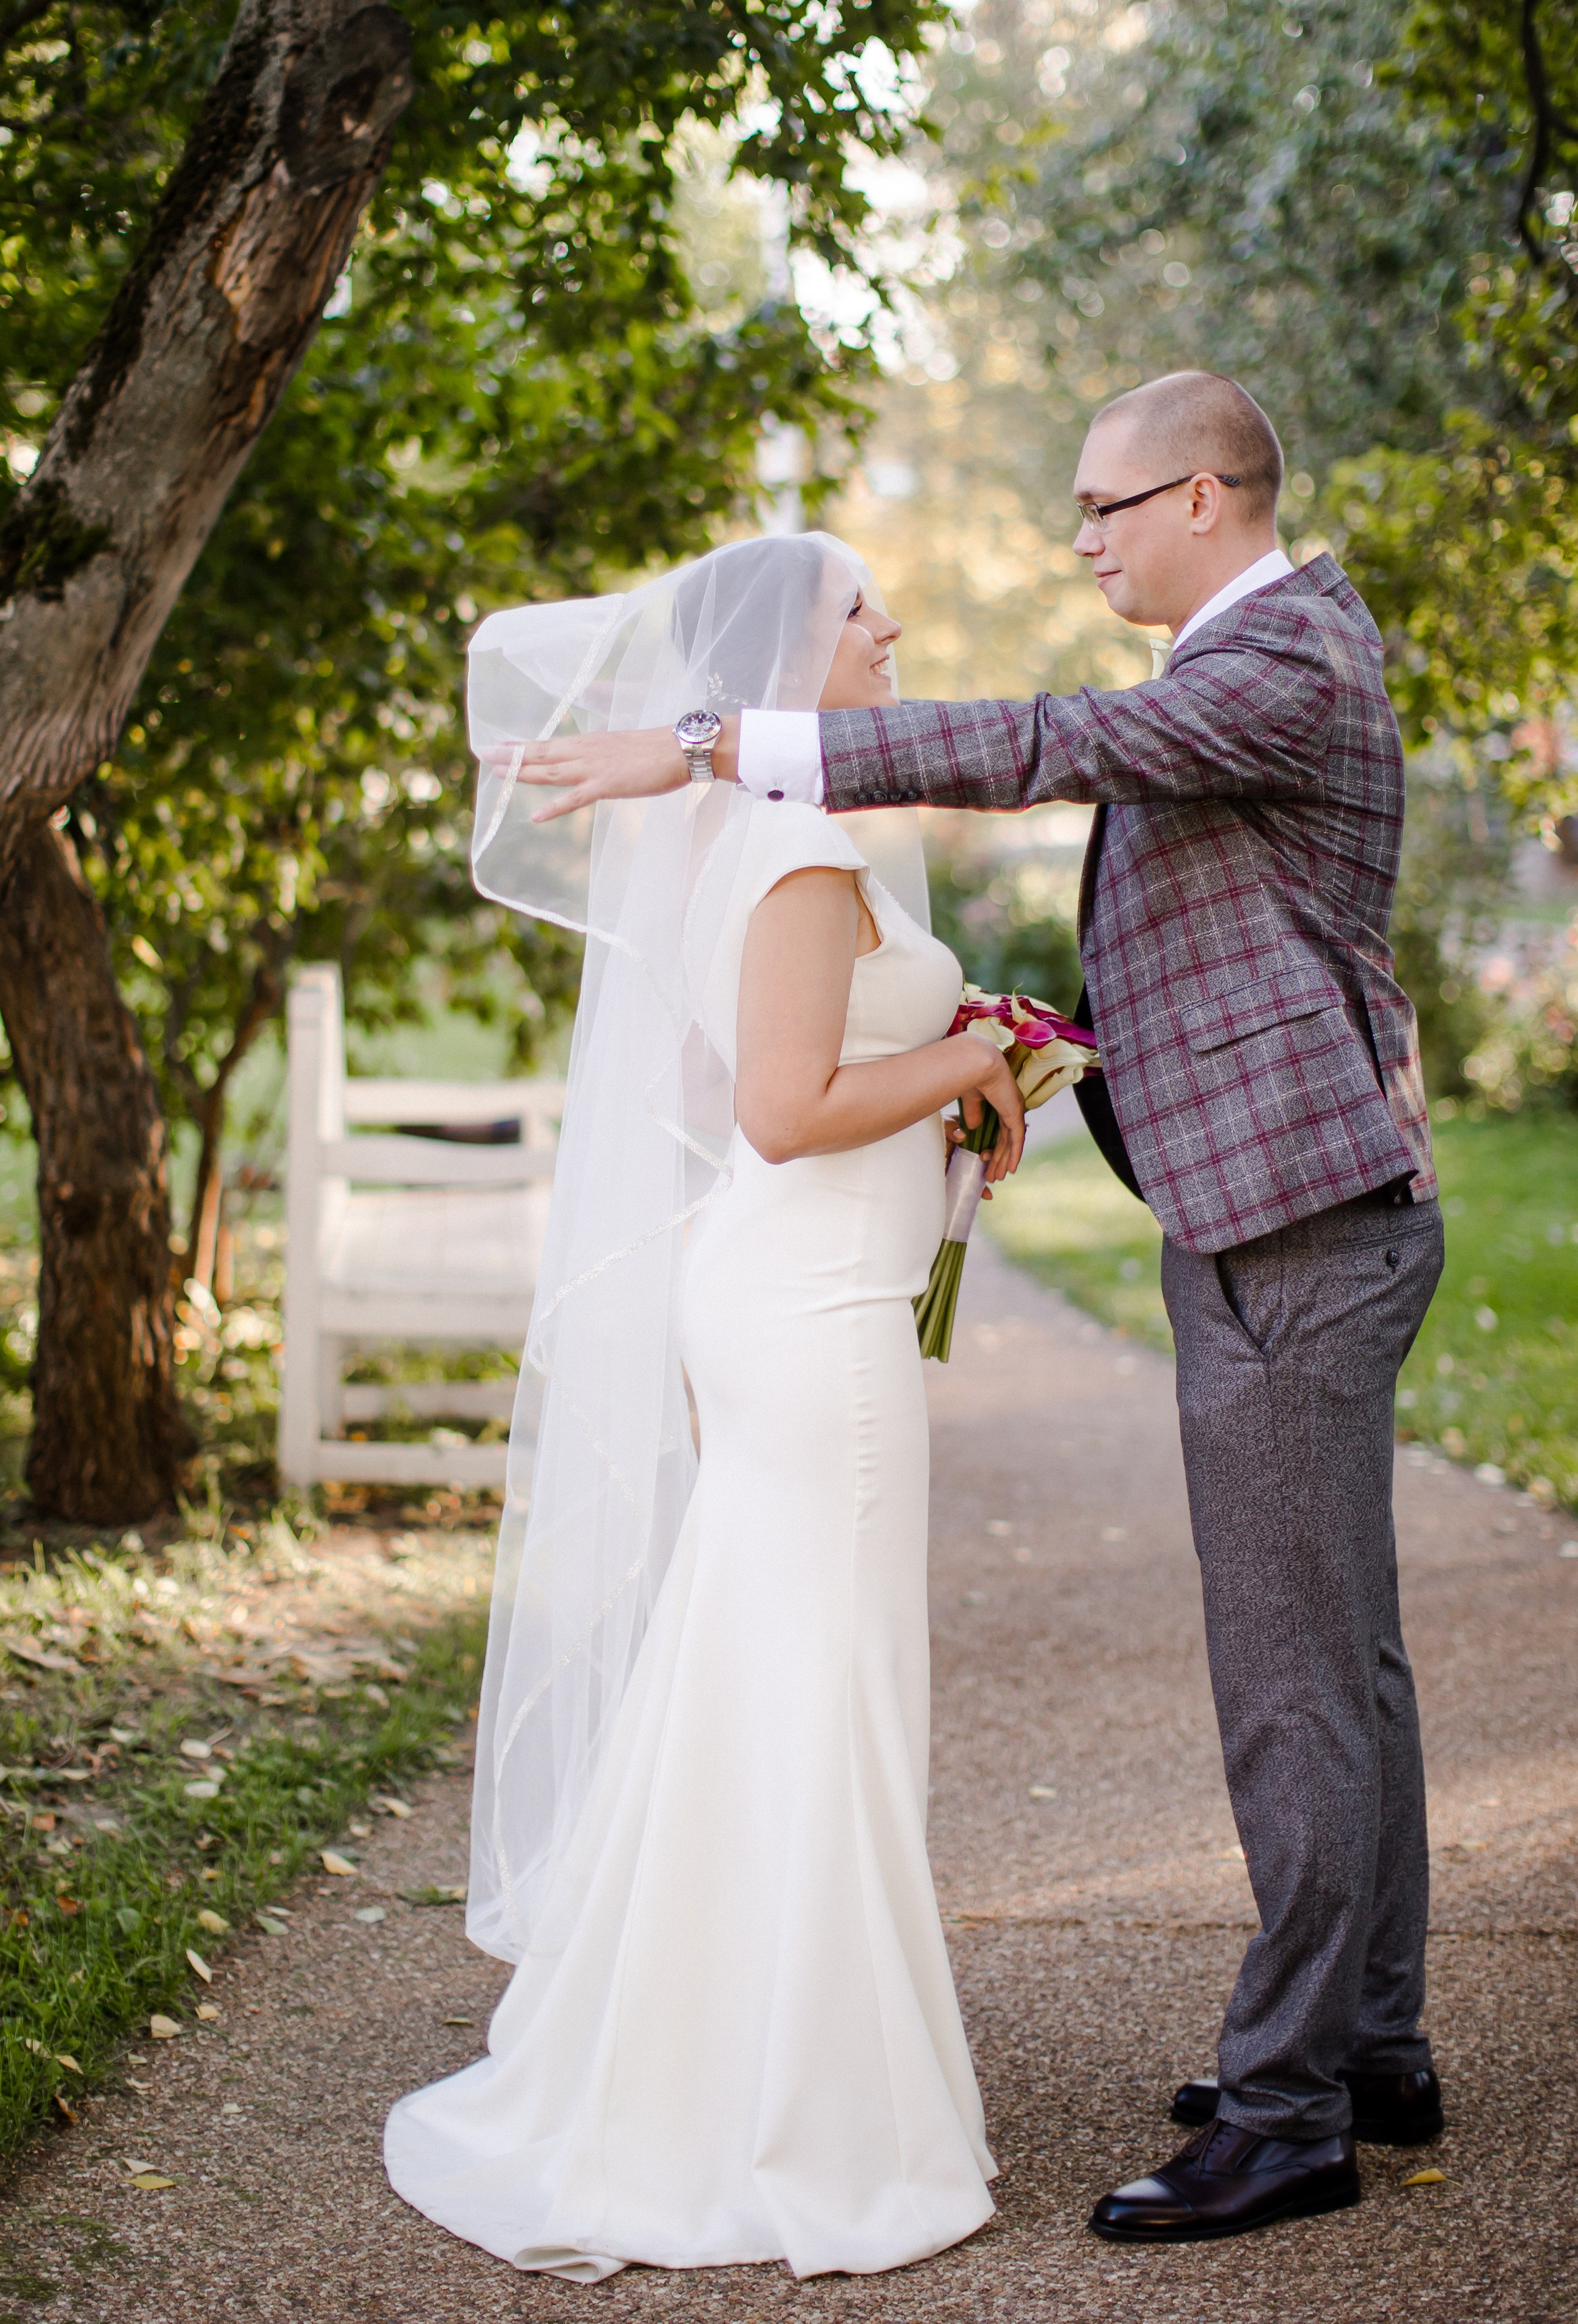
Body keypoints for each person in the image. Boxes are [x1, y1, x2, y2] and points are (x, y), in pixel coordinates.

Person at [517, 370, 1447, 2246]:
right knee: (1336, 1661)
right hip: (1278, 1209)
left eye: (1105, 507)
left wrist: (712, 742)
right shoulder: (1261, 651)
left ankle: (1290, 2115)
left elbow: (1041, 743)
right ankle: (1368, 2045)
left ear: (1204, 495)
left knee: (1295, 1682)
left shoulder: (1281, 655)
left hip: (1295, 1222)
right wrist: (1002, 1054)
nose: (1079, 539)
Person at [384, 532, 1024, 2280]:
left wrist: (948, 1089)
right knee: (830, 1693)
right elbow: (781, 1110)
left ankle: (721, 2063)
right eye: (855, 608)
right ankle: (812, 2116)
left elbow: (729, 1071)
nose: (889, 625)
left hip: (794, 1292)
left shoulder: (752, 832)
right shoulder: (797, 846)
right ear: (778, 658)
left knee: (759, 1676)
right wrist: (975, 1057)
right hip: (810, 1312)